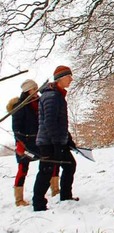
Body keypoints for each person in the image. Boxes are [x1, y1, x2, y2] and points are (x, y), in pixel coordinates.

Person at [32, 66, 78, 211]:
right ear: (60, 78)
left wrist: (67, 139)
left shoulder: (57, 95)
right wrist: (58, 143)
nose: (71, 79)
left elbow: (60, 123)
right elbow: (50, 122)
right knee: (46, 171)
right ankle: (38, 204)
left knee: (70, 165)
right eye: (68, 76)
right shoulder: (51, 96)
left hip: (56, 140)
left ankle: (65, 196)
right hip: (48, 142)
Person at [9, 79, 39, 206]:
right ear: (28, 91)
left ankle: (54, 190)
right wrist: (20, 143)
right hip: (24, 143)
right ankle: (19, 199)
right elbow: (16, 128)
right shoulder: (20, 106)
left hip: (38, 141)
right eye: (34, 89)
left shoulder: (37, 102)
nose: (36, 92)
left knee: (49, 162)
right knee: (23, 169)